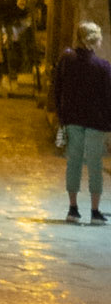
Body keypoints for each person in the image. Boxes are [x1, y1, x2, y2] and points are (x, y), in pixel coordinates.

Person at [51, 20, 111, 224]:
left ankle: (73, 209)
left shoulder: (66, 60)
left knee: (73, 162)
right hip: (97, 122)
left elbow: (57, 88)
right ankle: (95, 211)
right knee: (95, 165)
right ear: (95, 41)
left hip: (73, 119)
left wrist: (62, 115)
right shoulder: (103, 67)